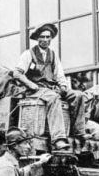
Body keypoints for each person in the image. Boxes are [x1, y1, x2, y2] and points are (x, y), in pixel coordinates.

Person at [12, 23, 86, 151]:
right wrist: (31, 84)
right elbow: (17, 73)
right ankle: (58, 139)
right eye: (42, 37)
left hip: (51, 88)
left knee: (78, 95)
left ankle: (78, 133)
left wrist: (63, 86)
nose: (46, 40)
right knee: (54, 98)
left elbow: (60, 75)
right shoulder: (28, 54)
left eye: (48, 37)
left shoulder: (53, 55)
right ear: (37, 38)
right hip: (35, 90)